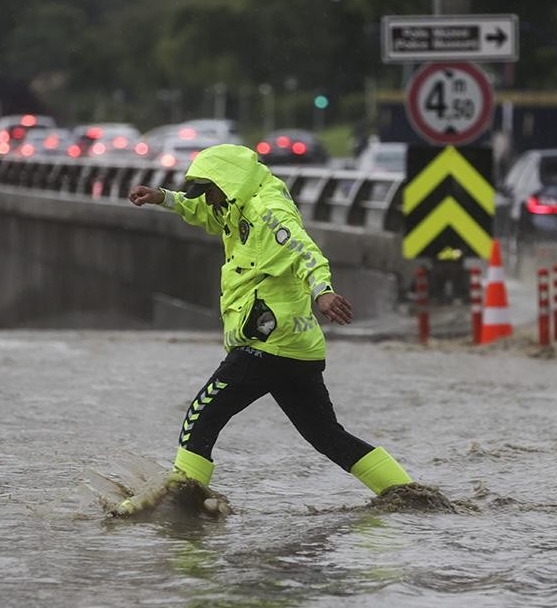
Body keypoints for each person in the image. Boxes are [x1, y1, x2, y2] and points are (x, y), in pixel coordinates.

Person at [124, 144, 413, 511]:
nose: (209, 200)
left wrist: (322, 292)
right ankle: (409, 495)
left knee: (202, 414)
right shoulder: (235, 205)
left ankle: (180, 505)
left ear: (227, 183)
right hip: (292, 348)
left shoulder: (267, 209)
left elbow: (304, 250)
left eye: (210, 191)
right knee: (327, 437)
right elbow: (205, 213)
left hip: (266, 341)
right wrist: (163, 198)